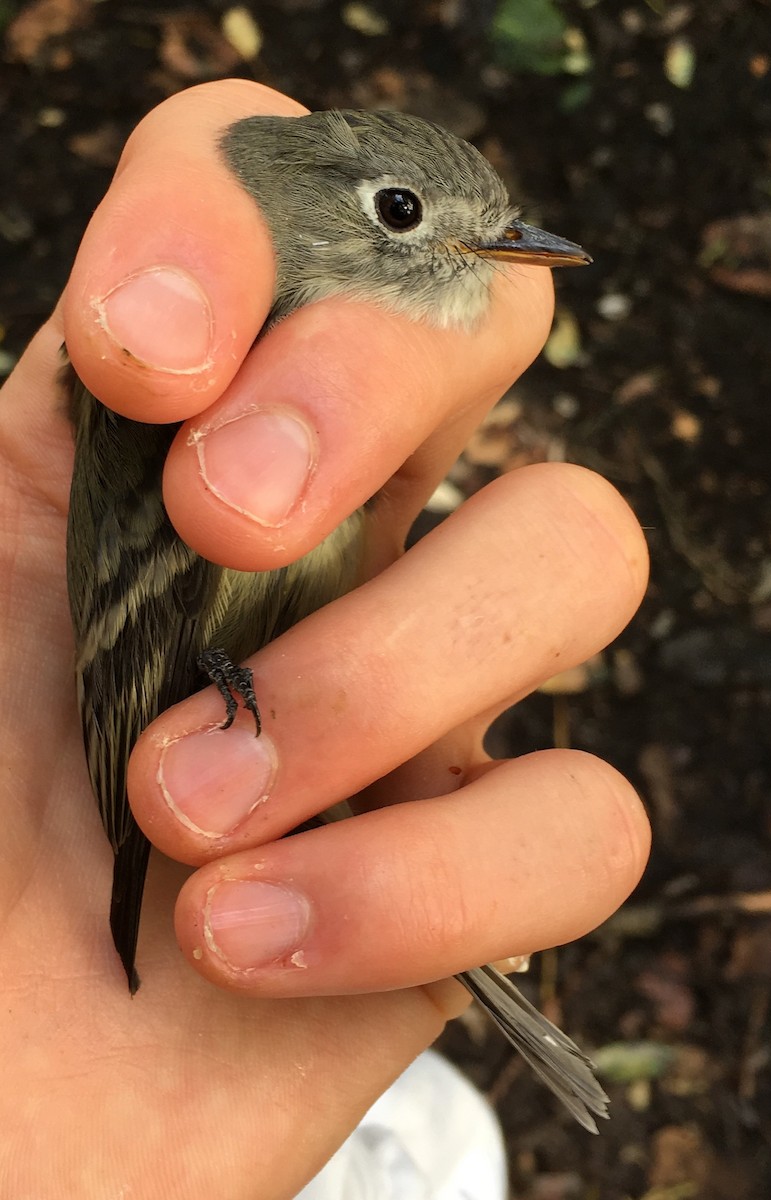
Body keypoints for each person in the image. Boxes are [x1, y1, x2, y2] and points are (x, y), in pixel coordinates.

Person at [0, 80, 650, 1197]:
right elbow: (130, 648)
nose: (471, 248)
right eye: (401, 212)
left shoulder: (257, 347)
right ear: (307, 202)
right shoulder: (190, 357)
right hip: (156, 755)